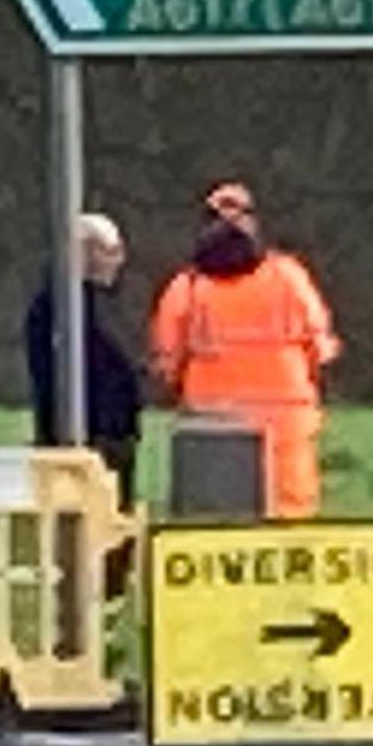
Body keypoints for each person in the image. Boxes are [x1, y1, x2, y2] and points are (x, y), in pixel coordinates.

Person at [147, 180, 341, 518]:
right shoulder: (289, 277)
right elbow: (321, 347)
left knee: (215, 514)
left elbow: (167, 359)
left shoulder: (187, 288)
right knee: (289, 511)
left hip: (211, 419)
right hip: (287, 416)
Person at [26, 212, 145, 500]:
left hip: (111, 436)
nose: (119, 261)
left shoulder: (99, 305)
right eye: (110, 251)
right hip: (86, 439)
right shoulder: (62, 309)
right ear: (84, 252)